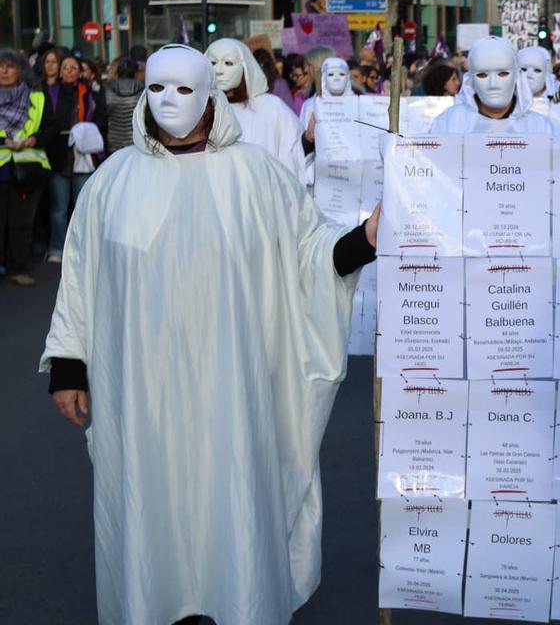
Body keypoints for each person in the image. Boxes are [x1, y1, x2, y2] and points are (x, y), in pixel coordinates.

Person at [41, 43, 380, 625]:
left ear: (209, 97)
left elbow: (309, 253)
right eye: (156, 87)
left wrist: (364, 239)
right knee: (152, 507)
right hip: (142, 392)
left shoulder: (255, 175)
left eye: (183, 88)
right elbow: (80, 275)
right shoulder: (113, 180)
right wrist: (70, 367)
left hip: (232, 386)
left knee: (232, 500)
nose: (168, 100)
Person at [205, 38, 304, 179]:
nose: (219, 71)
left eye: (228, 63)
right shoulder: (199, 110)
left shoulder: (272, 108)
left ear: (244, 67)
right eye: (213, 63)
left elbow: (292, 155)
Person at [44, 54, 107, 263]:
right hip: (59, 156)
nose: (70, 71)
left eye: (74, 67)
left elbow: (101, 119)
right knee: (59, 207)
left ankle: (82, 248)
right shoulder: (50, 93)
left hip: (84, 155)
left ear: (80, 71)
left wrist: (84, 131)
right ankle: (57, 248)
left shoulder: (90, 94)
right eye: (66, 67)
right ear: (60, 71)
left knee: (83, 205)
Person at [429, 36, 555, 135]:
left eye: (503, 73)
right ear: (471, 79)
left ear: (517, 76)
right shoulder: (450, 123)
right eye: (483, 75)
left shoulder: (540, 128)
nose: (493, 84)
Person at [0, 49, 50, 287]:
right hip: (2, 167)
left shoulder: (37, 97)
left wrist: (35, 139)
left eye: (10, 66)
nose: (4, 71)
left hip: (27, 170)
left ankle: (18, 268)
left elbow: (52, 126)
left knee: (21, 223)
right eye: (1, 66)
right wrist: (4, 141)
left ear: (20, 71)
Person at [104, 57, 143, 153]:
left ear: (118, 73)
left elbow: (103, 116)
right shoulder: (143, 90)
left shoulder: (108, 89)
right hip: (137, 142)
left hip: (114, 141)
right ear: (136, 73)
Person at [283, 52, 311, 117]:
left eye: (297, 76)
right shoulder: (296, 94)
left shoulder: (315, 92)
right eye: (293, 75)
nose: (294, 78)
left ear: (307, 73)